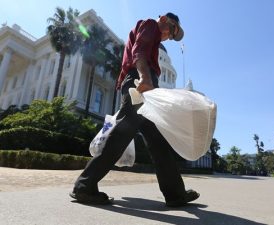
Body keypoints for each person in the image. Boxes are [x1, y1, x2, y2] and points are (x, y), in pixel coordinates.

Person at [70, 12, 200, 207]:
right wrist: (145, 78)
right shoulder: (150, 25)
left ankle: (176, 194)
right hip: (140, 81)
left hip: (144, 82)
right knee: (122, 132)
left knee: (158, 142)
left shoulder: (155, 36)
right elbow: (139, 51)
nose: (170, 37)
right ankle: (84, 186)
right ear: (164, 20)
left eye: (173, 36)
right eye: (172, 31)